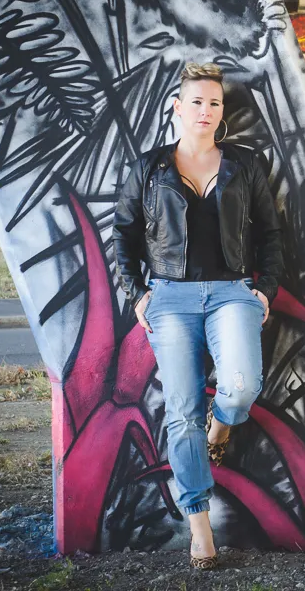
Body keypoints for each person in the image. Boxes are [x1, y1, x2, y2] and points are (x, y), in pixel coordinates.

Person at [112, 62, 283, 570]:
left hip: (232, 292)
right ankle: (199, 525)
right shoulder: (149, 168)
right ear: (177, 107)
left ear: (221, 112)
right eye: (196, 102)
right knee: (182, 409)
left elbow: (271, 235)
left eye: (214, 103)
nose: (205, 111)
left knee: (241, 386)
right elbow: (124, 233)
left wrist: (264, 291)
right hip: (169, 297)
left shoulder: (244, 165)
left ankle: (222, 428)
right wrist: (136, 295)